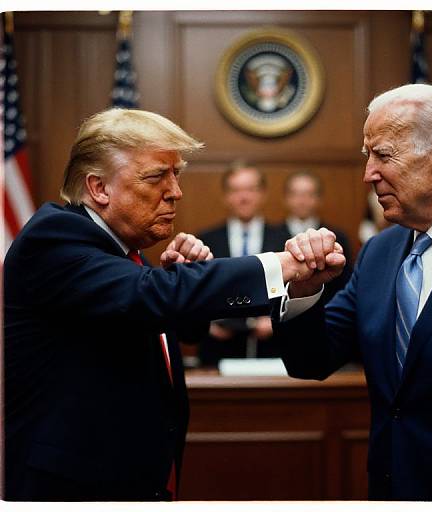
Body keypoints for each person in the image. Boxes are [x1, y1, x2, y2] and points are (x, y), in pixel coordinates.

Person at [3, 108, 342, 501]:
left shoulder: (124, 252)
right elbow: (149, 295)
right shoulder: (56, 237)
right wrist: (283, 265)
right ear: (99, 188)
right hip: (69, 491)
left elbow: (162, 320)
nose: (175, 191)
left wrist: (180, 280)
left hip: (126, 479)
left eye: (176, 174)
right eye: (156, 176)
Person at [275, 84, 432, 501]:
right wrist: (304, 293)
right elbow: (311, 360)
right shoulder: (380, 252)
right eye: (368, 156)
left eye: (383, 155)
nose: (368, 173)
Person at [197, 162, 286, 366]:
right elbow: (196, 291)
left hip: (270, 351)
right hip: (218, 350)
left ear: (262, 194)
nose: (243, 197)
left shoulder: (285, 239)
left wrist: (276, 322)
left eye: (250, 189)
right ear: (226, 196)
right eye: (236, 190)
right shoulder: (205, 241)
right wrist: (206, 324)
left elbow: (296, 292)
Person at [275, 170, 353, 301]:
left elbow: (344, 284)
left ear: (319, 199)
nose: (302, 201)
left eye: (308, 194)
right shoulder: (271, 236)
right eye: (296, 194)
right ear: (286, 198)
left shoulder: (337, 237)